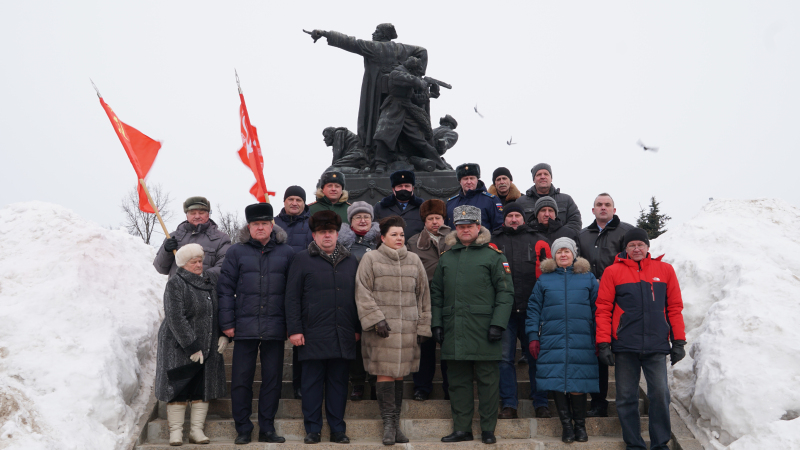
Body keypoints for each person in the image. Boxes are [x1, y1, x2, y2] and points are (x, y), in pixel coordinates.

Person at [595, 228, 686, 450]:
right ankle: (634, 444)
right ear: (625, 248)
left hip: (656, 345)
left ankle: (659, 444)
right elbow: (603, 309)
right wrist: (603, 343)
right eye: (632, 245)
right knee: (626, 397)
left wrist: (679, 341)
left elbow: (674, 307)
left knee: (660, 395)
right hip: (626, 345)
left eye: (640, 245)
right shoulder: (612, 272)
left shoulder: (665, 270)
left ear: (647, 247)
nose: (636, 249)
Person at [430, 205, 514, 444]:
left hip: (485, 330)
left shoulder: (494, 256)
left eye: (470, 226)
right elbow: (436, 293)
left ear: (479, 227)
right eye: (461, 226)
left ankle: (488, 429)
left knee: (488, 382)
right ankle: (462, 429)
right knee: (457, 383)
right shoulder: (447, 258)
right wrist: (437, 323)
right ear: (455, 229)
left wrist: (498, 324)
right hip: (454, 329)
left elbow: (506, 293)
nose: (465, 230)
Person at [217, 203, 295, 445]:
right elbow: (225, 289)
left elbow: (293, 293)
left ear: (272, 225)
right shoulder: (236, 252)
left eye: (264, 223)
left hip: (275, 326)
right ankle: (243, 428)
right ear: (248, 226)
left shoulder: (287, 252)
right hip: (244, 327)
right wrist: (227, 323)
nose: (260, 227)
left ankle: (267, 428)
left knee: (272, 380)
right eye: (255, 224)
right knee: (241, 379)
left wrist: (291, 325)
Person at [285, 211, 361, 444]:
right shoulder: (301, 259)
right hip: (312, 334)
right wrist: (294, 330)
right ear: (314, 235)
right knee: (311, 385)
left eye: (330, 232)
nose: (326, 236)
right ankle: (313, 429)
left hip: (343, 332)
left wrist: (356, 327)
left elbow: (358, 297)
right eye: (321, 232)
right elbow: (292, 298)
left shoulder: (351, 260)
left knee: (338, 384)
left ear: (337, 234)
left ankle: (338, 429)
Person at [355, 216, 432, 445]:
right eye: (394, 235)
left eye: (401, 234)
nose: (399, 238)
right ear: (383, 237)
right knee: (385, 373)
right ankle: (388, 425)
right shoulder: (371, 258)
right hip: (382, 331)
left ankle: (395, 425)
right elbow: (362, 291)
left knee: (399, 375)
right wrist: (376, 319)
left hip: (407, 329)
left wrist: (423, 325)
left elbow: (423, 296)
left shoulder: (414, 260)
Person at [309, 24, 427, 157]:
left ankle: (376, 153)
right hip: (401, 90)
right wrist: (418, 74)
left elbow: (350, 42)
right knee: (398, 121)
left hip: (377, 91)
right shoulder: (402, 48)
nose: (373, 33)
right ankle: (397, 153)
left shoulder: (373, 46)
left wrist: (325, 33)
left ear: (384, 34)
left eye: (377, 31)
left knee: (376, 121)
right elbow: (422, 51)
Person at [526, 237, 599, 443]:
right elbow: (533, 310)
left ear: (574, 254)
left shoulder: (588, 278)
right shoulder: (544, 280)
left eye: (567, 251)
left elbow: (598, 309)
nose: (563, 255)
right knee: (557, 381)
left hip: (582, 338)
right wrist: (533, 336)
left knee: (578, 381)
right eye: (559, 252)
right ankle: (566, 427)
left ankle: (580, 426)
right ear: (554, 256)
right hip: (551, 338)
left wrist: (599, 337)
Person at [155, 244, 226, 446]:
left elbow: (217, 311)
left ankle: (196, 431)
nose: (198, 265)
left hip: (208, 345)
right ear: (183, 264)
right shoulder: (175, 284)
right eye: (193, 262)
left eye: (200, 261)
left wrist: (223, 335)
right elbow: (175, 317)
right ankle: (176, 432)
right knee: (179, 387)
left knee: (200, 388)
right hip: (177, 345)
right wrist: (191, 345)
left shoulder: (209, 283)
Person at [489, 203, 551, 420]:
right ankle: (509, 404)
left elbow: (548, 275)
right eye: (510, 216)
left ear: (524, 218)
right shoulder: (492, 243)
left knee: (536, 357)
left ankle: (541, 403)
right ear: (504, 219)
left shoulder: (539, 241)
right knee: (504, 359)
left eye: (517, 215)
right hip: (504, 311)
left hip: (532, 310)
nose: (513, 219)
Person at [577, 193, 634, 417]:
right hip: (591, 301)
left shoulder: (626, 232)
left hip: (620, 301)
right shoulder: (582, 235)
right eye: (599, 205)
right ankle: (599, 402)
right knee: (598, 350)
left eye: (607, 205)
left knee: (621, 351)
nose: (603, 208)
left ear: (614, 209)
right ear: (592, 210)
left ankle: (625, 403)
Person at [407, 199, 451, 402]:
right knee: (424, 346)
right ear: (424, 221)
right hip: (424, 301)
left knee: (449, 347)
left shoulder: (454, 238)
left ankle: (451, 387)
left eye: (438, 218)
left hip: (451, 300)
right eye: (430, 218)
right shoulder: (413, 242)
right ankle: (422, 387)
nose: (435, 222)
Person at [273, 186, 315, 401]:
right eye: (291, 199)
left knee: (301, 340)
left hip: (303, 287)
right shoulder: (273, 224)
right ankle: (274, 385)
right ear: (284, 201)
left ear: (304, 202)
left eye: (299, 199)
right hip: (277, 285)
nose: (294, 203)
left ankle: (299, 384)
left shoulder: (311, 224)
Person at [372, 56, 448, 172]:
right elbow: (412, 80)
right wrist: (424, 82)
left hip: (407, 109)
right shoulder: (397, 73)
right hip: (393, 108)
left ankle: (440, 165)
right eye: (417, 72)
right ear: (412, 69)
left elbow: (413, 97)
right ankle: (380, 164)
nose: (418, 74)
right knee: (383, 135)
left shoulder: (408, 75)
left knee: (420, 140)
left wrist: (431, 93)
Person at [337, 201, 381, 401]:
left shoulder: (381, 242)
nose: (362, 220)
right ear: (351, 221)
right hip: (350, 301)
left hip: (376, 300)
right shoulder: (343, 244)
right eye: (358, 217)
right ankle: (357, 382)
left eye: (366, 217)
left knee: (374, 343)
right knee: (355, 344)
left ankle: (374, 382)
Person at [154, 196, 232, 278]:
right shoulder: (173, 237)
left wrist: (200, 279)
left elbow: (224, 267)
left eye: (201, 213)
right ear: (187, 216)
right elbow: (160, 269)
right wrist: (166, 251)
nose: (197, 216)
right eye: (193, 213)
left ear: (208, 215)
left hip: (205, 290)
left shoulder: (221, 239)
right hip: (177, 290)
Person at [515, 164, 582, 232]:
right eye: (539, 174)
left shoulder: (566, 200)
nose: (542, 177)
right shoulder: (521, 202)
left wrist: (560, 235)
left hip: (560, 241)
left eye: (546, 174)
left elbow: (575, 223)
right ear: (534, 180)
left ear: (551, 178)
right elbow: (516, 224)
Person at [445, 163, 504, 231]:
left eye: (472, 178)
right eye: (465, 179)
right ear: (460, 181)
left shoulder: (491, 200)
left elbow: (498, 228)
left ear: (477, 180)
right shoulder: (451, 203)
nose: (469, 182)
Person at [372, 170, 426, 238]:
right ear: (393, 189)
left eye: (407, 186)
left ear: (412, 188)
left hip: (415, 247)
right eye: (400, 186)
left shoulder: (423, 207)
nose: (403, 189)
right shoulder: (380, 207)